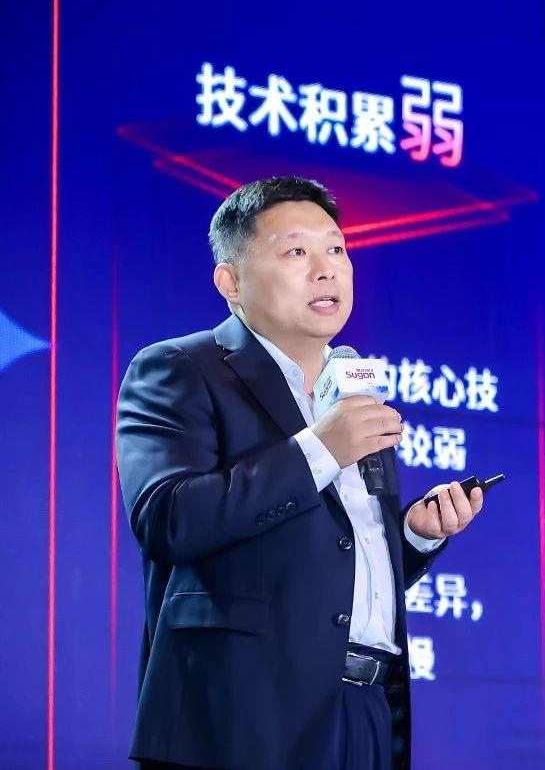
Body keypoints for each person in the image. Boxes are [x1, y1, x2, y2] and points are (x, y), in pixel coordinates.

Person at [115, 176, 484, 768]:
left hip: (365, 710)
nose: (326, 268)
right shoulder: (181, 367)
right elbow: (169, 520)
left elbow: (333, 561)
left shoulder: (351, 390)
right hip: (240, 717)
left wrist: (414, 537)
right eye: (296, 251)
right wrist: (320, 447)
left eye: (336, 249)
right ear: (231, 283)